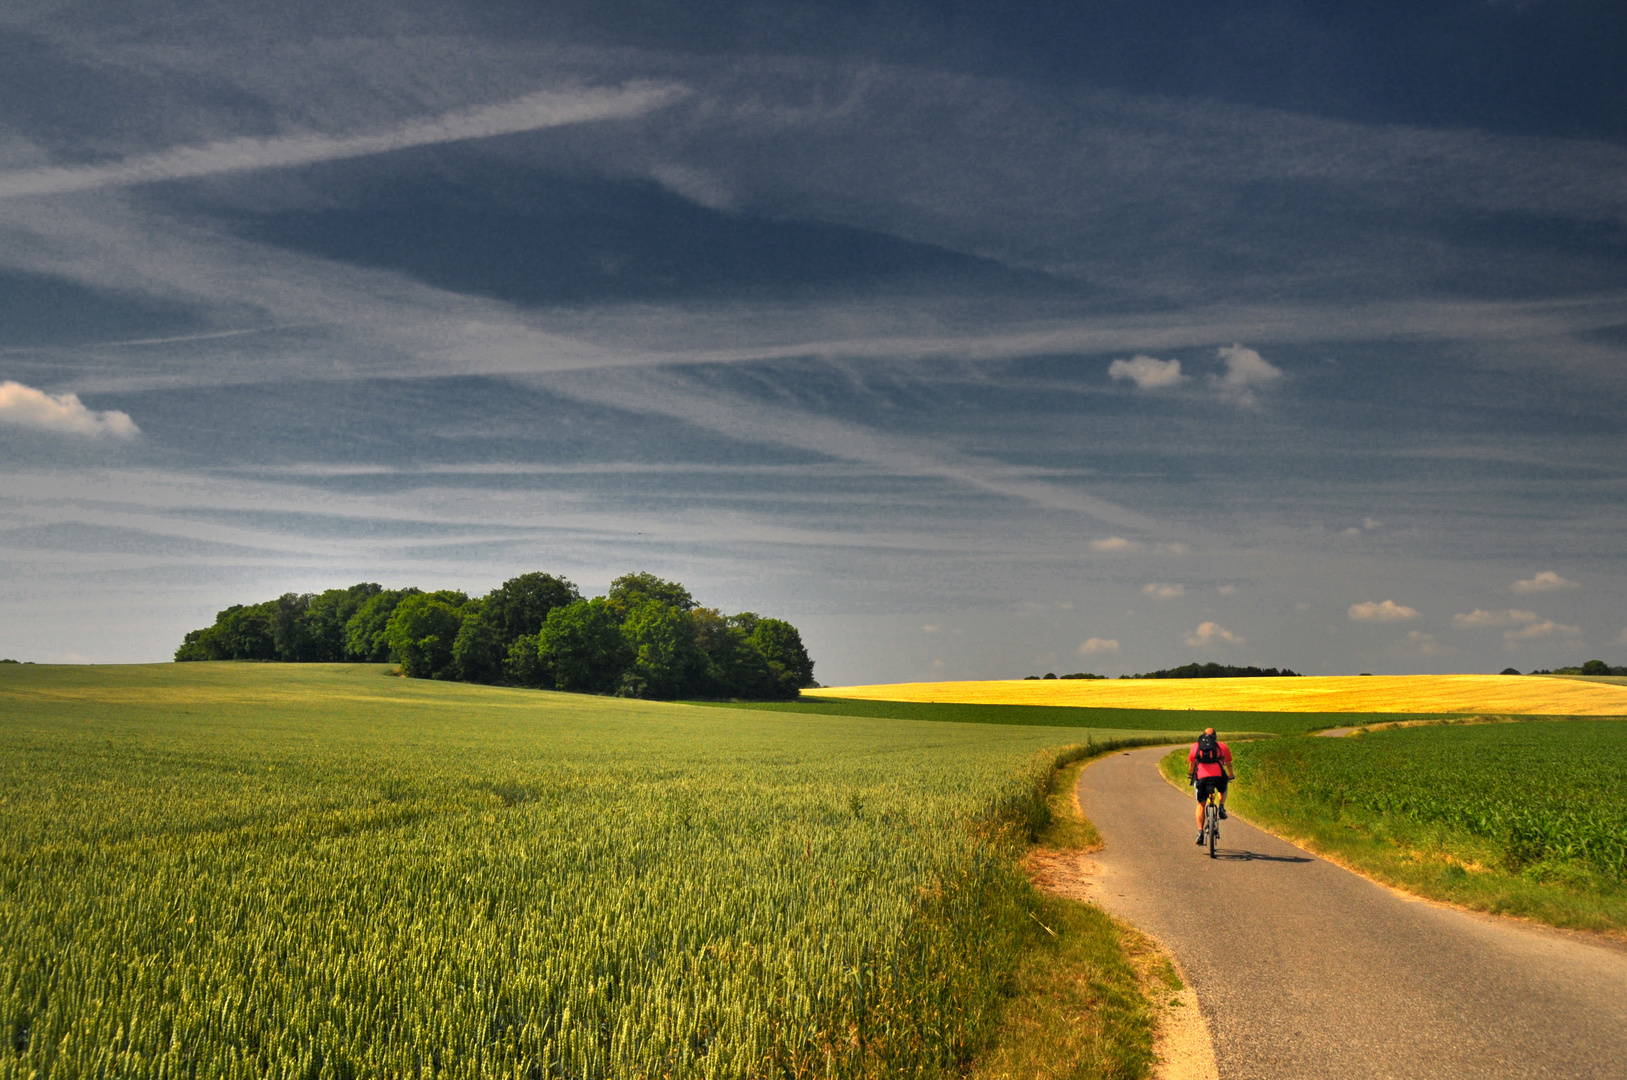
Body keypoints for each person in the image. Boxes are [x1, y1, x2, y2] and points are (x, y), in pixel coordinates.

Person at [1188, 727, 1234, 844]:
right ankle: (1222, 807)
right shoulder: (1222, 746)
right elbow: (1228, 764)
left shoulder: (1197, 746)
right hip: (1218, 777)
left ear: (1203, 735)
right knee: (1223, 786)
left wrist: (1190, 774)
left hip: (1202, 778)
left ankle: (1200, 833)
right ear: (1215, 737)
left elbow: (1192, 763)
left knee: (1201, 805)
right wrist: (1231, 775)